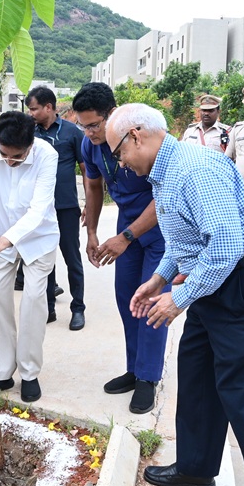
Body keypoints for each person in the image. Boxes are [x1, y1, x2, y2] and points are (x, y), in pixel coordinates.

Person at [107, 103, 244, 486]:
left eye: (118, 152)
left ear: (136, 135)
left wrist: (180, 299)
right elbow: (186, 238)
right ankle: (197, 467)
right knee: (195, 369)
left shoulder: (195, 170)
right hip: (214, 277)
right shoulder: (165, 172)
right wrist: (158, 280)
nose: (119, 162)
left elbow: (226, 245)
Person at [73, 83, 169, 415]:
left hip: (159, 229)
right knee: (128, 299)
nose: (90, 132)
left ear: (113, 115)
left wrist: (125, 237)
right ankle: (135, 368)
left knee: (152, 301)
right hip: (126, 226)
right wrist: (93, 233)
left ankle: (148, 378)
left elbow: (164, 199)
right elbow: (94, 186)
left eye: (95, 124)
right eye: (84, 126)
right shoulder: (90, 146)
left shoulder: (144, 140)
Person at [0, 111, 59, 405]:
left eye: (17, 157)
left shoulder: (47, 155)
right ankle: (0, 373)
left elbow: (39, 210)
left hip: (38, 238)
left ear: (31, 144)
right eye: (4, 155)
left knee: (33, 300)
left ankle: (30, 373)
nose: (9, 161)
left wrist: (2, 242)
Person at [25, 86, 87, 330]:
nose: (30, 113)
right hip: (39, 209)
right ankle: (48, 308)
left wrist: (89, 206)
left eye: (34, 109)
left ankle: (78, 308)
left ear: (48, 107)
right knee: (44, 259)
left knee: (72, 257)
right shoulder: (29, 132)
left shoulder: (72, 132)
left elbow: (86, 169)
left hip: (66, 206)